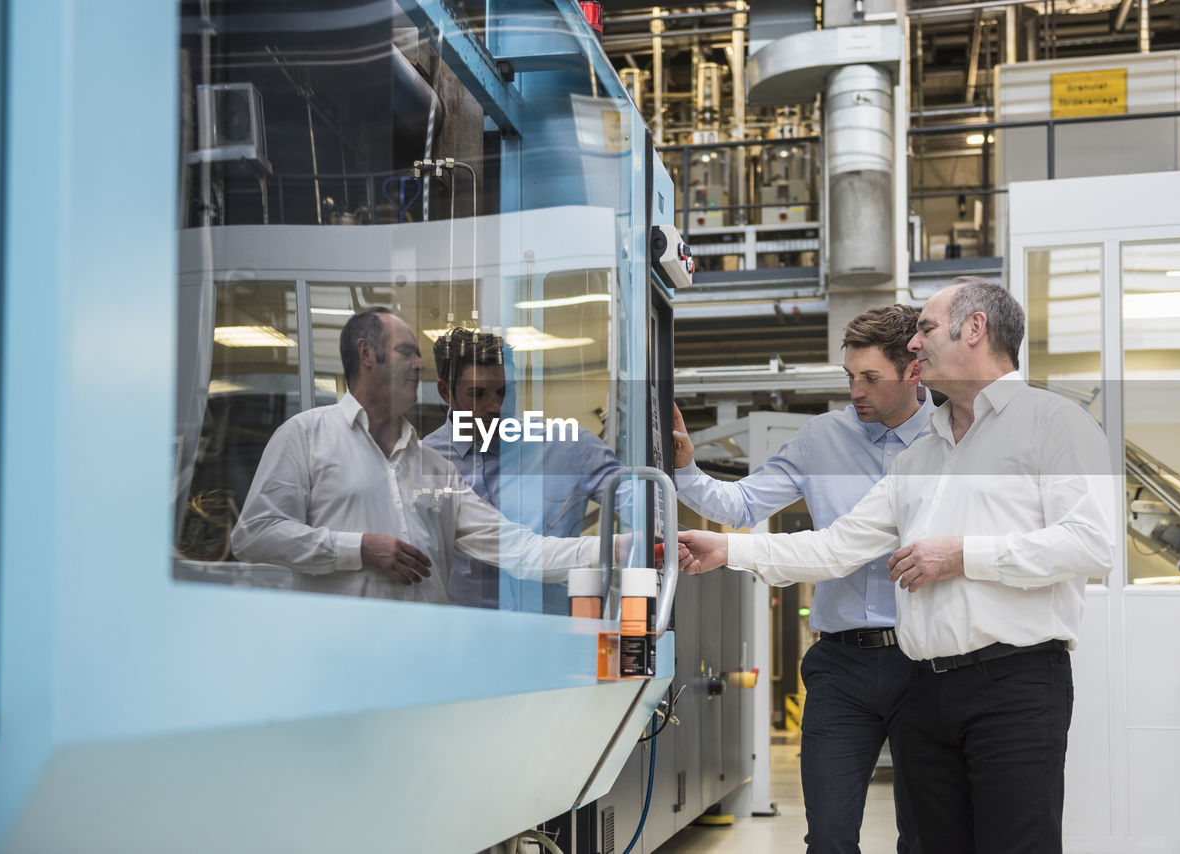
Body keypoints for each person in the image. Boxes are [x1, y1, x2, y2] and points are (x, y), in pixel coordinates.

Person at [676, 278, 1114, 854]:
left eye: (926, 330)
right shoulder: (922, 456)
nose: (915, 345)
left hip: (1015, 682)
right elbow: (834, 547)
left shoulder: (1053, 423)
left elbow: (1091, 545)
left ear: (974, 329)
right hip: (929, 686)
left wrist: (962, 554)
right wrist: (729, 549)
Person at [671, 305, 930, 854]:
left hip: (926, 662)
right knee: (829, 839)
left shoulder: (951, 441)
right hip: (842, 667)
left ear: (914, 370)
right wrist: (686, 471)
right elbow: (739, 505)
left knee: (928, 833)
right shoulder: (821, 439)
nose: (855, 391)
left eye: (869, 378)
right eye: (848, 376)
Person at [231, 307, 598, 602]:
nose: (419, 365)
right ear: (367, 354)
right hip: (340, 659)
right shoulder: (306, 436)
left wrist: (622, 548)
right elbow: (254, 534)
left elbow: (521, 549)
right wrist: (358, 548)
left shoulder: (435, 468)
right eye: (407, 353)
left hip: (427, 659)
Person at [424, 327, 622, 613]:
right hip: (461, 638)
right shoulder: (423, 464)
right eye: (478, 393)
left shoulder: (570, 450)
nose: (497, 406)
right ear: (445, 392)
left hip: (552, 634)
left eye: (506, 391)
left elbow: (643, 506)